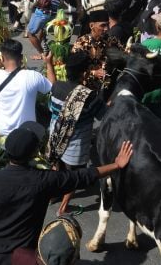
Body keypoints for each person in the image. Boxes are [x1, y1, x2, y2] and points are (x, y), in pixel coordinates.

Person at [0, 125, 134, 265]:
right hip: (23, 258)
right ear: (32, 154)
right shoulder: (43, 181)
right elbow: (82, 177)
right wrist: (116, 165)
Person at [0, 40, 55, 169]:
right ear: (21, 58)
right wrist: (49, 63)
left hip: (3, 125)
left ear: (3, 58)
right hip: (26, 128)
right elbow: (52, 87)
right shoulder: (32, 76)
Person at [47, 51, 106, 216]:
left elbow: (52, 83)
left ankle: (51, 195)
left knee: (55, 165)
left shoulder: (57, 87)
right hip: (75, 145)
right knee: (75, 175)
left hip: (55, 136)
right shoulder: (89, 96)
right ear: (84, 72)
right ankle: (63, 208)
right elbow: (103, 116)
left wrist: (49, 63)